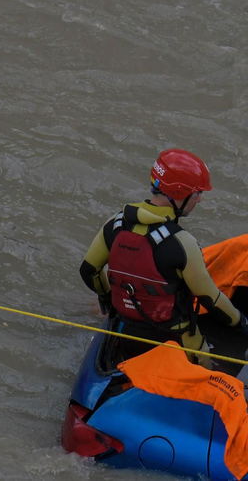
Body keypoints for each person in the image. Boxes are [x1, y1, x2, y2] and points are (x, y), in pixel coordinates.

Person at [80, 149, 244, 359]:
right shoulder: (183, 242)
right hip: (174, 341)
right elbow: (210, 299)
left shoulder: (115, 224)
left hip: (124, 333)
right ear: (179, 193)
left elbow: (89, 270)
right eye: (196, 193)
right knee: (203, 356)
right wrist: (241, 322)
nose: (200, 200)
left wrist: (106, 299)